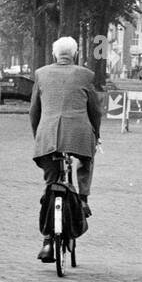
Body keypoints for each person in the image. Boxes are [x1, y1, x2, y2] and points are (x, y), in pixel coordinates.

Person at [29, 36, 101, 262]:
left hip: (48, 135)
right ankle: (83, 198)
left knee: (51, 183)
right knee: (86, 160)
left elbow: (34, 111)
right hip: (78, 134)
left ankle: (48, 241)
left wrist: (39, 137)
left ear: (54, 55)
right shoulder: (85, 75)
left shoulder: (41, 74)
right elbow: (95, 110)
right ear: (75, 54)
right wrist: (96, 134)